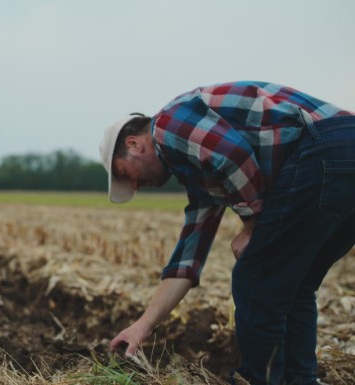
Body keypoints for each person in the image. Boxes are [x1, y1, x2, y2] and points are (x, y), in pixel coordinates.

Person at [99, 81, 355, 385]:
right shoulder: (197, 176)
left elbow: (233, 154)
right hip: (341, 151)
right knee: (293, 282)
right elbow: (188, 257)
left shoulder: (168, 125)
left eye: (127, 175)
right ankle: (300, 380)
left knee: (255, 278)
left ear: (133, 144)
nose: (137, 186)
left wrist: (251, 223)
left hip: (327, 147)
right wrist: (143, 325)